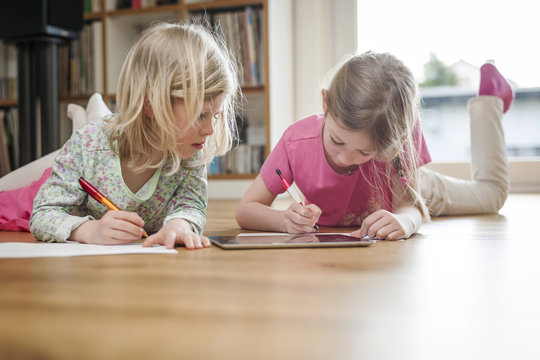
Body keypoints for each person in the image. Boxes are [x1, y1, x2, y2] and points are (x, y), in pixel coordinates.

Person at [235, 51, 513, 240]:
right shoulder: (297, 142)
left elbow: (411, 207)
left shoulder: (394, 138)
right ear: (325, 102)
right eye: (337, 141)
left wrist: (405, 222)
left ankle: (489, 100)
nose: (344, 158)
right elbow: (246, 209)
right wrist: (284, 220)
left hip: (409, 188)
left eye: (364, 152)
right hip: (370, 198)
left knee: (492, 196)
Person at [29, 22, 239, 249]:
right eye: (200, 116)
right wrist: (90, 230)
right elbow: (42, 215)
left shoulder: (190, 149)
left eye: (215, 116)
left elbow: (191, 206)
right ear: (151, 104)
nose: (210, 130)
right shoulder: (86, 145)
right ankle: (91, 111)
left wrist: (181, 224)